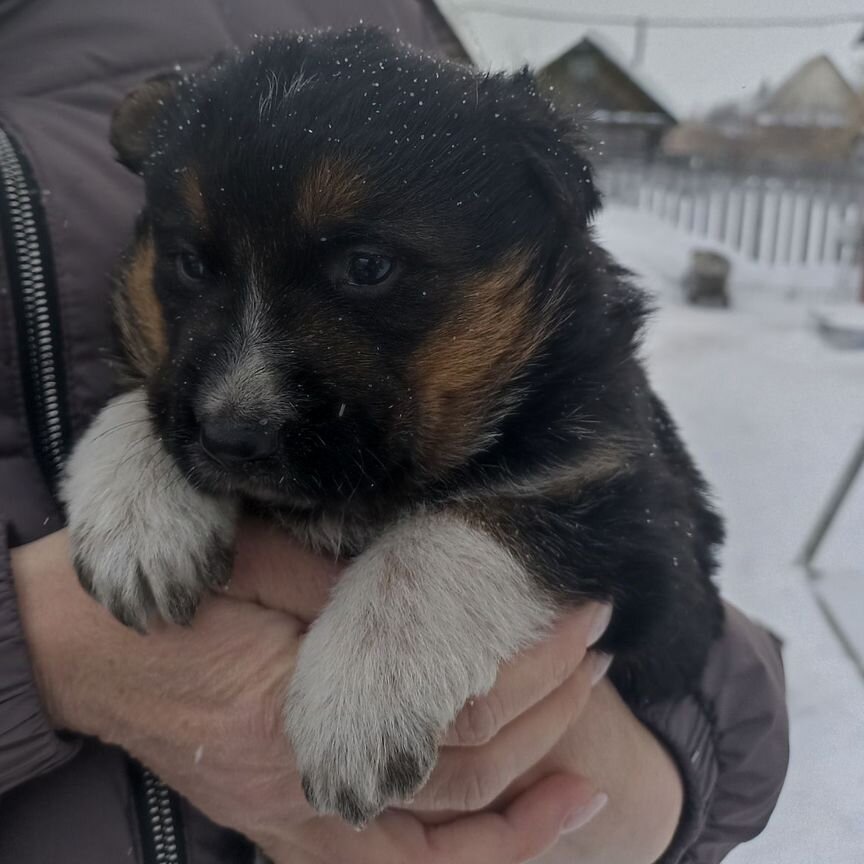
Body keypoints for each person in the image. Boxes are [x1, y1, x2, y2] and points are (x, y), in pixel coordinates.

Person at [0, 1, 789, 862]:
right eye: (195, 265)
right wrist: (40, 640)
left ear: (546, 236)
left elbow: (665, 581)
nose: (236, 400)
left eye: (368, 271)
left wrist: (658, 786)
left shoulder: (570, 395)